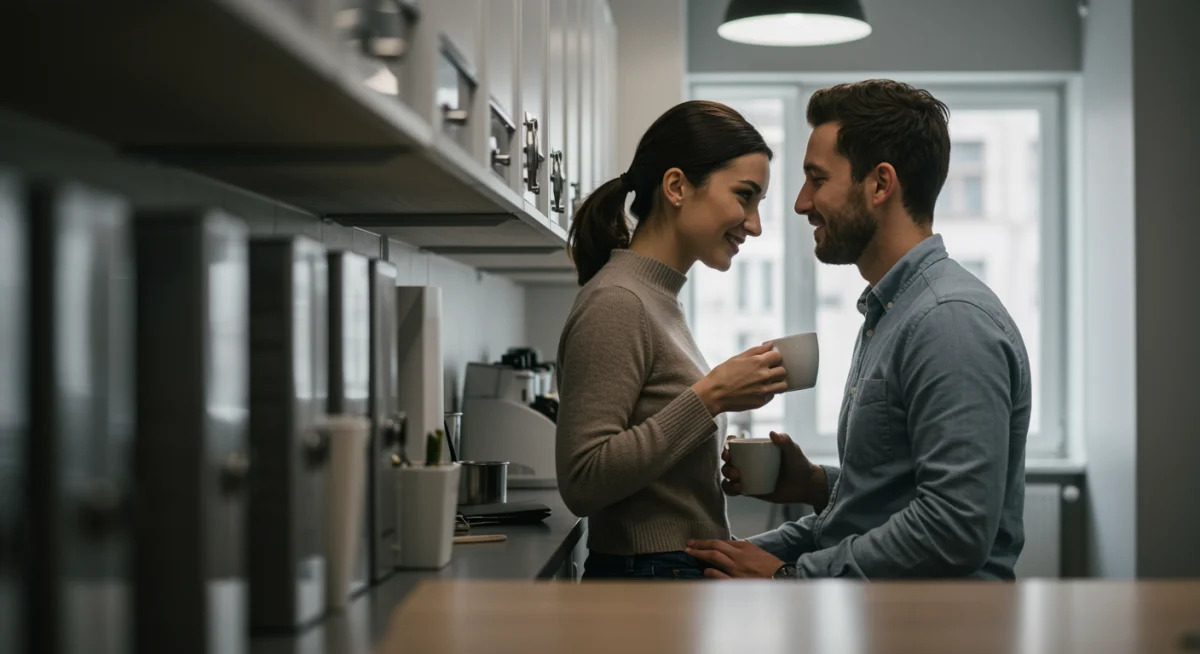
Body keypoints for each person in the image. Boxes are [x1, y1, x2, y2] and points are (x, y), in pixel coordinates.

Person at [687, 80, 1032, 580]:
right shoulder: (893, 311)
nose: (802, 203)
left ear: (880, 184)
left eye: (816, 179)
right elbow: (888, 500)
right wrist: (815, 484)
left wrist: (790, 576)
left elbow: (953, 528)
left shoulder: (949, 322)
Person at [555, 100, 790, 580]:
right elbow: (582, 480)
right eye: (744, 196)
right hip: (646, 579)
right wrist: (710, 397)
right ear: (677, 186)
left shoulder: (656, 297)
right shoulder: (619, 301)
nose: (755, 224)